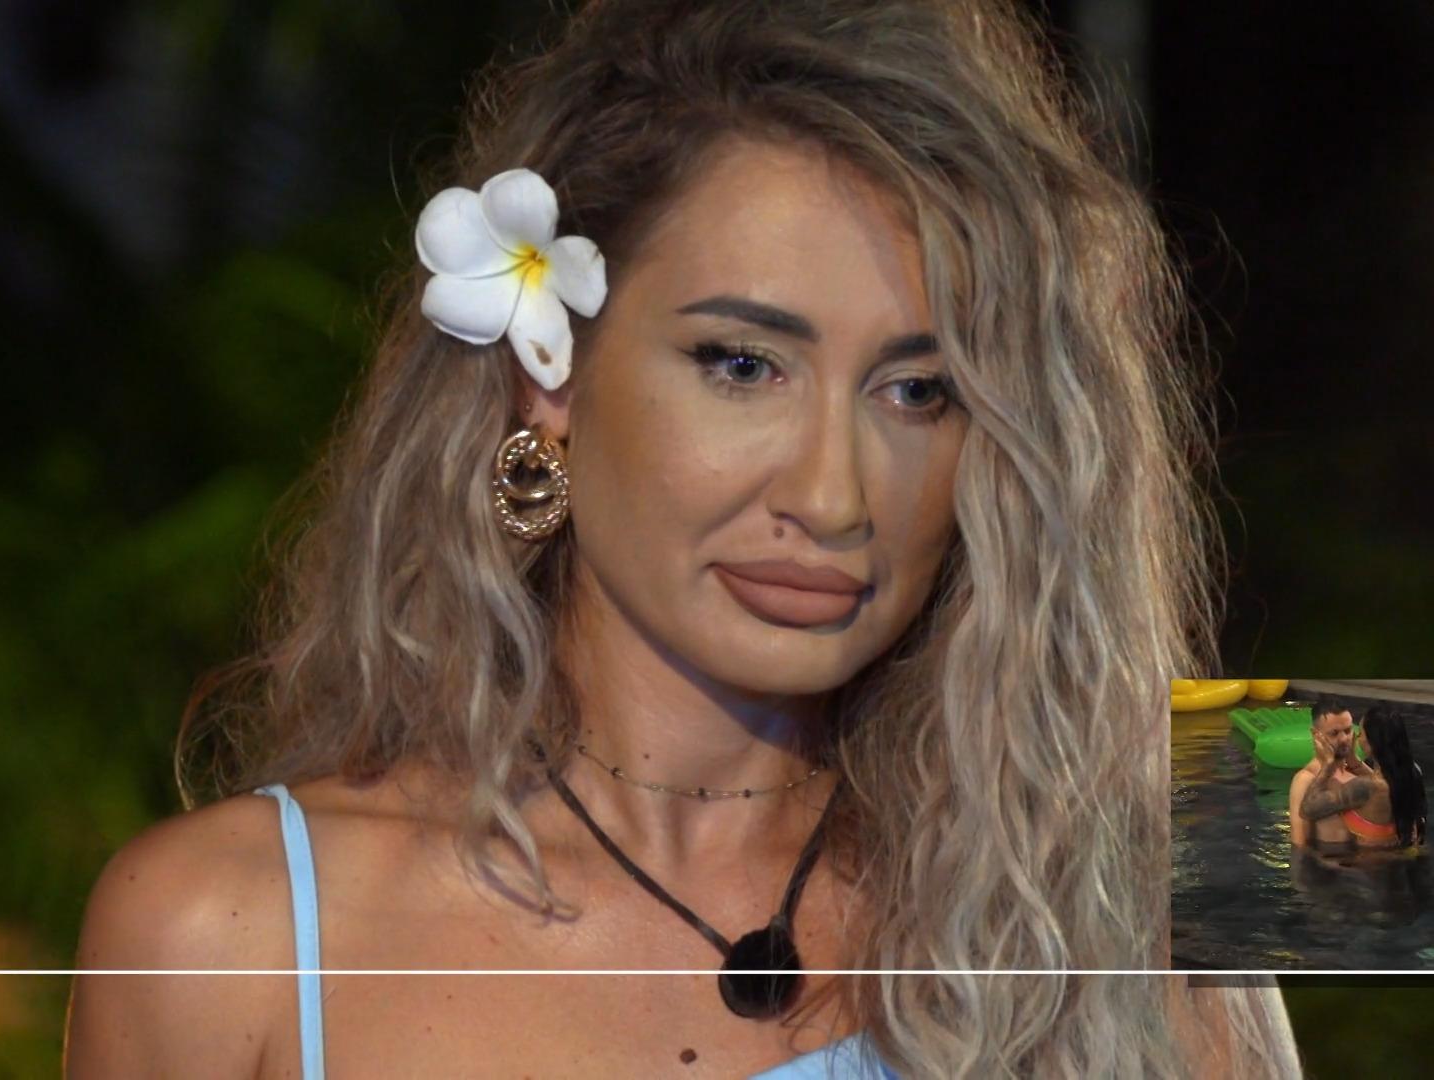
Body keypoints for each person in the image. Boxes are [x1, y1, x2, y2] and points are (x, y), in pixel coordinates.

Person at [63, 1, 1299, 1076]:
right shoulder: (223, 930)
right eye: (742, 364)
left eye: (919, 391)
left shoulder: (1149, 864)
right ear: (548, 371)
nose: (833, 496)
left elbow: (1411, 825)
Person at [1288, 699, 1376, 850]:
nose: (1344, 739)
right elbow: (1299, 844)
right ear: (1316, 735)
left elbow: (1387, 791)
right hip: (1330, 862)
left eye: (1347, 731)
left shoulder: (1358, 773)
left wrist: (1355, 762)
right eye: (1334, 733)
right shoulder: (1305, 779)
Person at [1347, 706, 1428, 848]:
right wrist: (1354, 761)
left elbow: (1309, 808)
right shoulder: (1413, 771)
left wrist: (1327, 767)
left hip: (1371, 860)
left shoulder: (1367, 786)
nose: (1357, 738)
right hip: (1411, 848)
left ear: (1373, 742)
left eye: (1360, 734)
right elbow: (1388, 782)